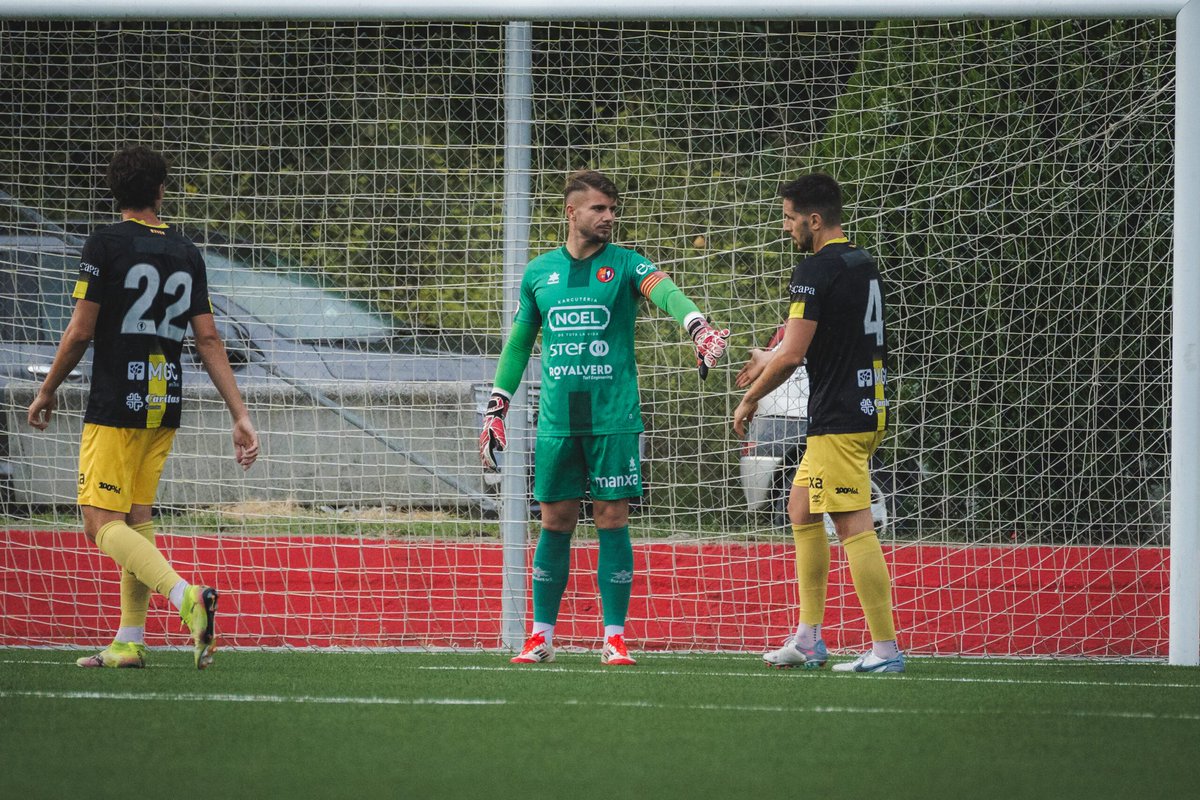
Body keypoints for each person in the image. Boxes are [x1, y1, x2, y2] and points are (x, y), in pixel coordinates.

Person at [480, 169, 729, 665]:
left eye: (613, 209)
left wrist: (697, 325)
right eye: (599, 208)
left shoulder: (627, 265)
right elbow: (518, 344)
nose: (609, 216)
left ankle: (614, 636)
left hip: (614, 417)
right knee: (555, 521)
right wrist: (497, 405)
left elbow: (666, 291)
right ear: (572, 212)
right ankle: (541, 637)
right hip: (556, 421)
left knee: (611, 518)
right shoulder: (539, 274)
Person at [27, 145, 259, 670]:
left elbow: (82, 329)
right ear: (160, 190)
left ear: (115, 193)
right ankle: (129, 640)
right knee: (135, 517)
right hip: (163, 398)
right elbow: (209, 339)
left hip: (116, 401)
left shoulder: (104, 244)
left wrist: (47, 390)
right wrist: (239, 413)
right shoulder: (185, 252)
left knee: (98, 521)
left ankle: (186, 599)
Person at [733, 173, 903, 673]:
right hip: (864, 403)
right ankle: (808, 638)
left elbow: (794, 356)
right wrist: (771, 355)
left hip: (839, 415)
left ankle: (886, 650)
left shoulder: (813, 268)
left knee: (853, 526)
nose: (785, 227)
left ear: (813, 219)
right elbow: (821, 338)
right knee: (802, 508)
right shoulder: (859, 261)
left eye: (788, 218)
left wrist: (748, 401)